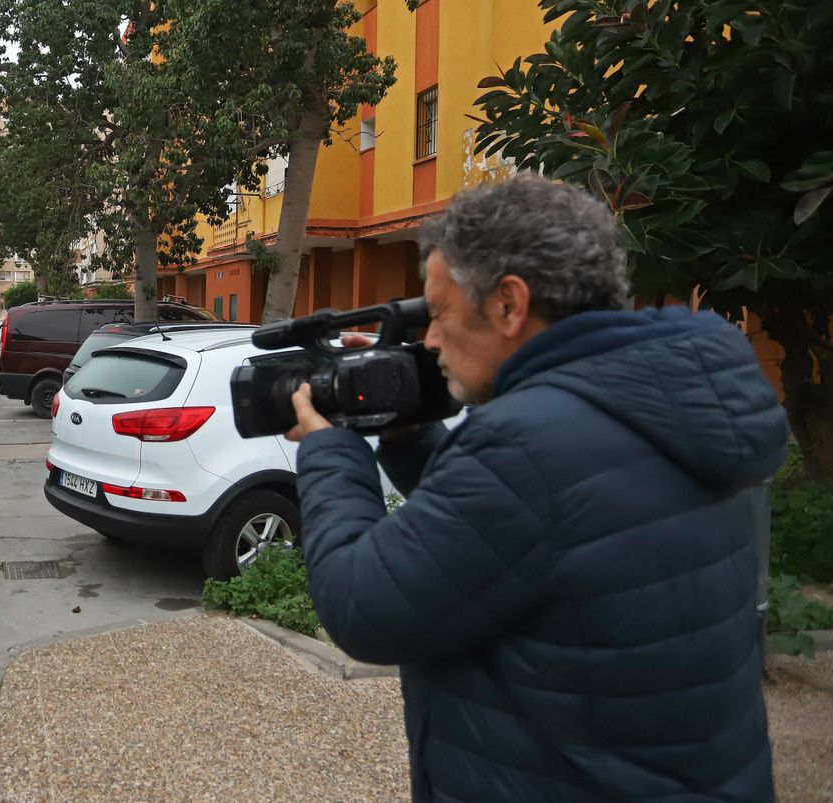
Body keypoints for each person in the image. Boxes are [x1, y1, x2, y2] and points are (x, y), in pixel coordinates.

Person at [283, 175, 787, 802]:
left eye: (438, 314)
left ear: (508, 305)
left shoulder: (529, 447)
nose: (431, 340)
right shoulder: (657, 405)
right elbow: (512, 533)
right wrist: (411, 435)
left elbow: (364, 604)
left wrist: (330, 448)